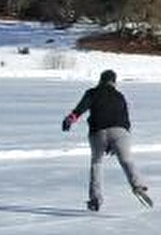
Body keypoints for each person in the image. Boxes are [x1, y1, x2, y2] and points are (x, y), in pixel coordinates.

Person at [63, 69, 152, 211]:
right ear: (114, 82)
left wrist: (70, 119)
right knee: (126, 160)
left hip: (98, 132)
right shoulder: (120, 96)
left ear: (100, 80)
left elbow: (81, 108)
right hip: (120, 131)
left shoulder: (92, 92)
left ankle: (95, 199)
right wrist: (118, 140)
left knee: (96, 164)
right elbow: (126, 119)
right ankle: (138, 186)